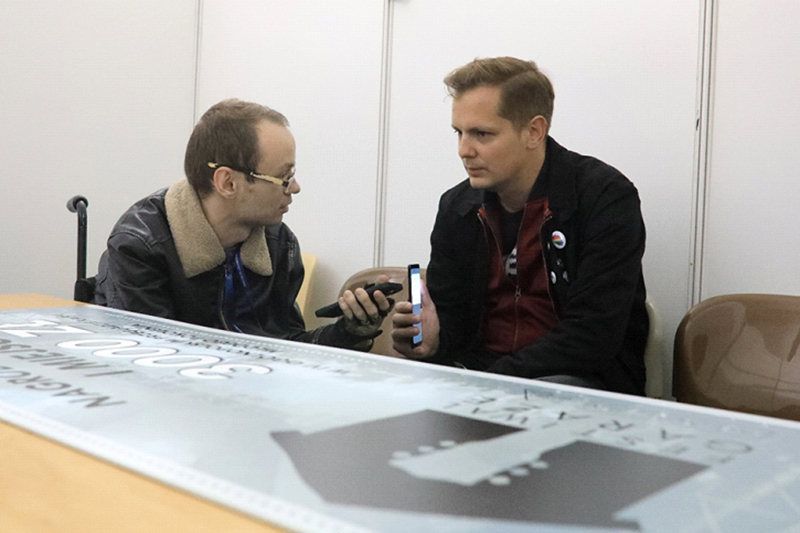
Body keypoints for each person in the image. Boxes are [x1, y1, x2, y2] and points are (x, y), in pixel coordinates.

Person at [391, 57, 648, 394]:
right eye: (459, 133)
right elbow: (453, 323)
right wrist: (433, 339)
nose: (464, 150)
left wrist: (488, 381)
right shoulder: (457, 207)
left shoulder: (604, 197)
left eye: (482, 134)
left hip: (574, 382)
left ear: (534, 132)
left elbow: (591, 337)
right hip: (479, 379)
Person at [94, 98, 390, 350]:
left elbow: (287, 345)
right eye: (284, 177)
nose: (295, 187)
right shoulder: (141, 245)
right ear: (228, 183)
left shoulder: (278, 243)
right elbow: (153, 362)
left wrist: (350, 332)